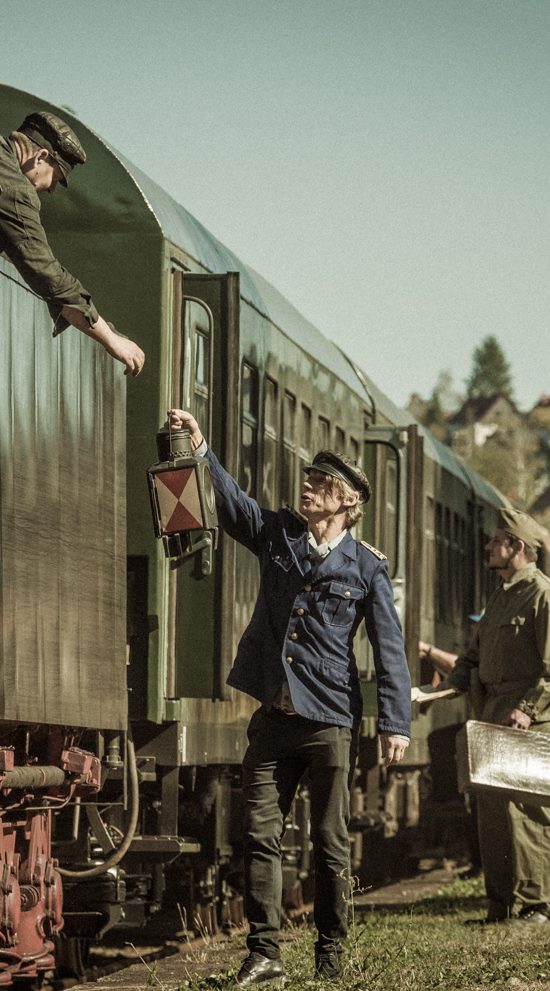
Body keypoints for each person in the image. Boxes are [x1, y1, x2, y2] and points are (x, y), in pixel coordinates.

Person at [163, 409, 412, 986]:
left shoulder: (368, 567)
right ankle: (265, 953)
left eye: (322, 485)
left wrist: (395, 723)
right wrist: (202, 449)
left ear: (348, 503)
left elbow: (389, 648)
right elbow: (234, 505)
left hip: (329, 720)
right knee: (259, 834)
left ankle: (330, 954)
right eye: (308, 479)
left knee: (328, 842)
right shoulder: (278, 534)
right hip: (273, 717)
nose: (308, 488)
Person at [418, 509, 550, 925]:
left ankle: (538, 904)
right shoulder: (502, 593)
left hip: (529, 720)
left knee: (529, 813)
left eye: (495, 541)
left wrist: (526, 710)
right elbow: (473, 659)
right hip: (492, 717)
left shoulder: (545, 596)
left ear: (516, 547)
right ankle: (502, 905)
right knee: (491, 816)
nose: (487, 547)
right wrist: (436, 691)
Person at [0, 108, 145, 375]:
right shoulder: (15, 188)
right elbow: (46, 272)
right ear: (40, 157)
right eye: (56, 177)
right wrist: (112, 341)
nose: (51, 188)